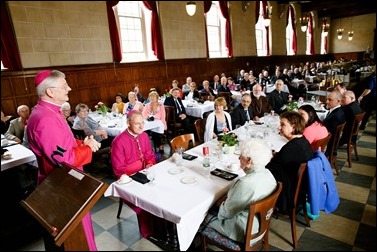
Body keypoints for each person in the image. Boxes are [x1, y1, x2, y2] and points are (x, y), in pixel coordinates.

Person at [27, 70, 101, 251]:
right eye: (64, 85)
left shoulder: (49, 112)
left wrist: (82, 142)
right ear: (50, 92)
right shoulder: (45, 118)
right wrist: (88, 147)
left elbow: (63, 142)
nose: (70, 88)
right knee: (75, 240)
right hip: (62, 188)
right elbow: (64, 159)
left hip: (66, 184)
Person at [200, 139, 277, 243]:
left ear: (249, 161)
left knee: (200, 216)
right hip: (261, 225)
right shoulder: (269, 175)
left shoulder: (245, 183)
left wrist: (221, 202)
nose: (238, 158)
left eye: (241, 156)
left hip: (243, 231)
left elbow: (226, 213)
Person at [111, 110, 157, 238]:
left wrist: (149, 164)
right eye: (137, 124)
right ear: (128, 123)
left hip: (145, 173)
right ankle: (149, 232)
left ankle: (163, 228)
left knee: (161, 194)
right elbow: (119, 169)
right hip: (128, 180)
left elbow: (149, 155)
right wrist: (135, 175)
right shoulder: (118, 141)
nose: (142, 127)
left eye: (143, 123)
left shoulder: (144, 136)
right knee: (145, 203)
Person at [266, 111, 314, 215]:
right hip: (300, 189)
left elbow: (268, 169)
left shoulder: (291, 148)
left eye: (283, 124)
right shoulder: (303, 141)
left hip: (287, 194)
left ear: (293, 127)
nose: (279, 128)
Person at [322, 91, 345, 157]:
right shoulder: (338, 111)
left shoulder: (335, 117)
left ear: (338, 101)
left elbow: (328, 134)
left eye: (330, 100)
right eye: (327, 99)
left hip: (328, 147)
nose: (327, 102)